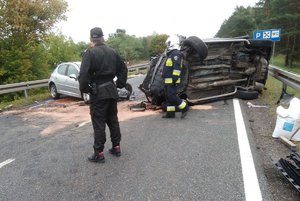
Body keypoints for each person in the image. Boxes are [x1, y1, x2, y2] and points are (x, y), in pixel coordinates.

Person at [78, 27, 128, 163]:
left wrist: (86, 89)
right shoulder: (112, 52)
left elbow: (83, 75)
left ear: (91, 39)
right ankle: (116, 147)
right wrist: (120, 84)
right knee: (113, 120)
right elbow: (123, 68)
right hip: (111, 90)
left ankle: (98, 153)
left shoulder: (90, 53)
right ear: (102, 37)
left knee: (99, 123)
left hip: (98, 92)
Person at [162, 34, 189, 119]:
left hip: (172, 81)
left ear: (173, 42)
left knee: (172, 96)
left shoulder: (176, 54)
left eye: (169, 43)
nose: (168, 45)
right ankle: (170, 113)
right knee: (168, 97)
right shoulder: (171, 54)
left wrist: (175, 78)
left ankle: (184, 107)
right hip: (167, 80)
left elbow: (177, 67)